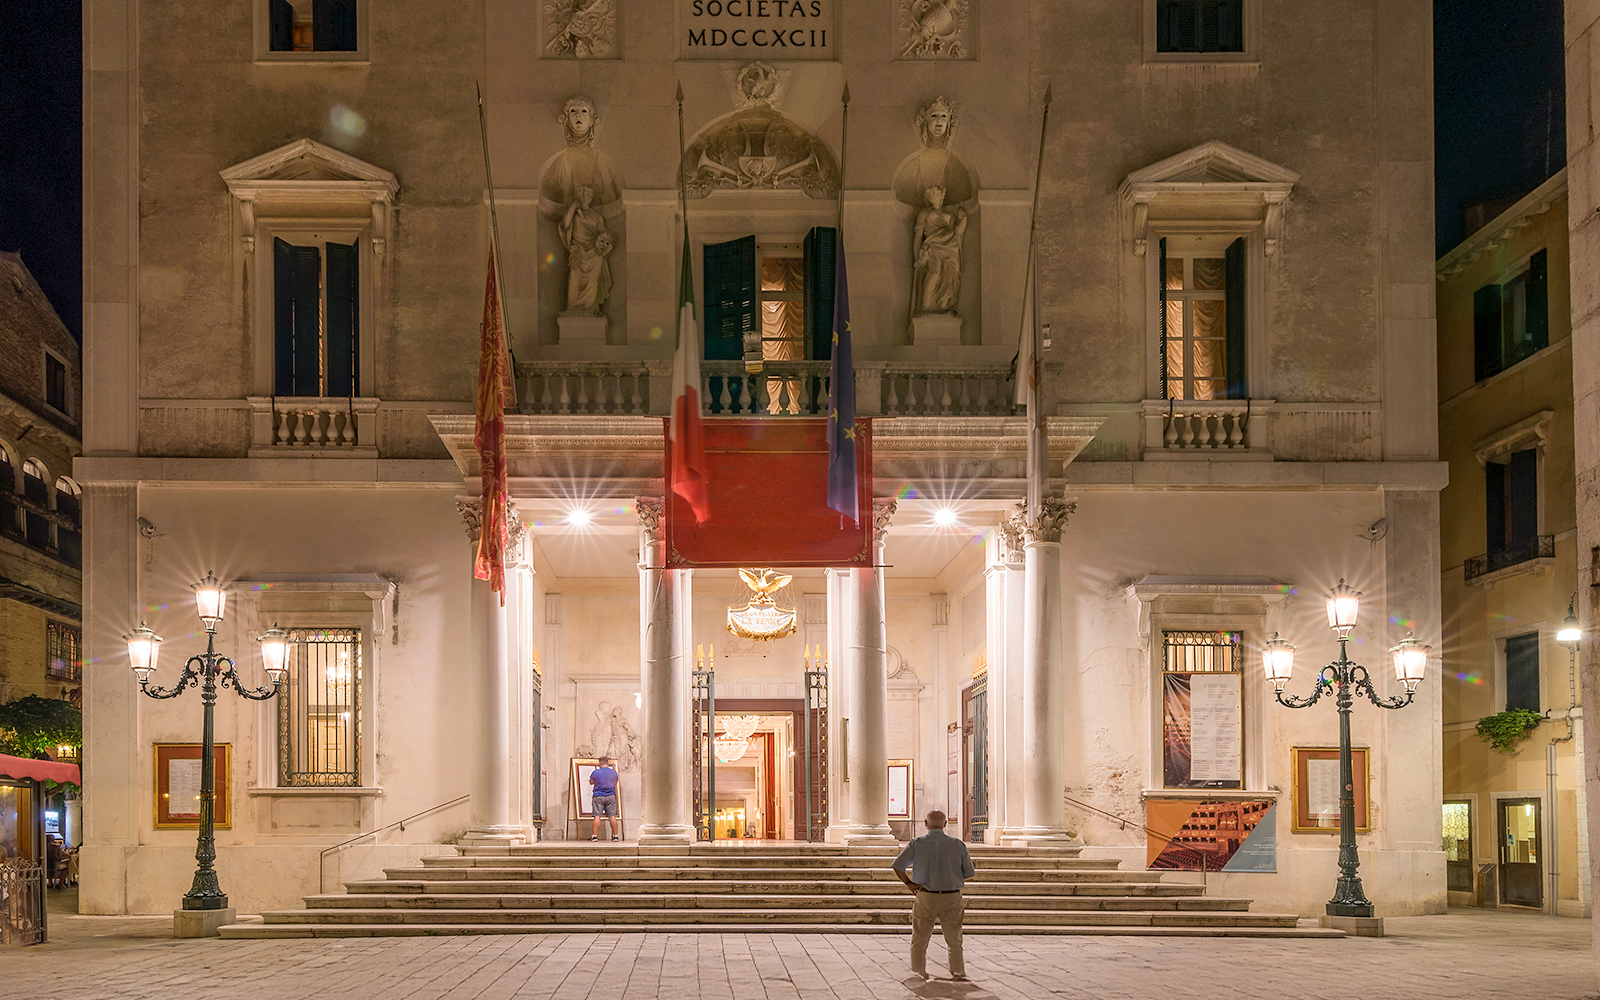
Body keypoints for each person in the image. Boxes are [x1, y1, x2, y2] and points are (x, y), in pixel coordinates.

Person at [891, 808, 976, 982]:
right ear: (945, 824)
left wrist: (909, 883)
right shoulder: (958, 845)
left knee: (920, 936)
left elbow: (898, 865)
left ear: (926, 824)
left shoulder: (917, 843)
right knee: (954, 938)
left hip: (926, 894)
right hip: (952, 895)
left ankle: (918, 970)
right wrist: (951, 877)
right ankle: (957, 971)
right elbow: (969, 872)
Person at [912, 185, 968, 316]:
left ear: (941, 195)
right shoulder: (923, 214)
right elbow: (918, 237)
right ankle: (926, 307)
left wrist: (963, 218)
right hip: (932, 246)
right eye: (930, 193)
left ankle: (941, 306)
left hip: (950, 247)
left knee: (948, 276)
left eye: (934, 193)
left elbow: (957, 232)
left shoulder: (949, 215)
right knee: (934, 273)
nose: (931, 195)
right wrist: (917, 259)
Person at [589, 755, 620, 842]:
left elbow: (591, 782)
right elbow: (615, 782)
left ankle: (594, 836)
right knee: (612, 816)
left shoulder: (596, 772)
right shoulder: (614, 772)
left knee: (597, 816)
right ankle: (615, 836)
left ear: (599, 763)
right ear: (608, 763)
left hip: (598, 795)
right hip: (610, 796)